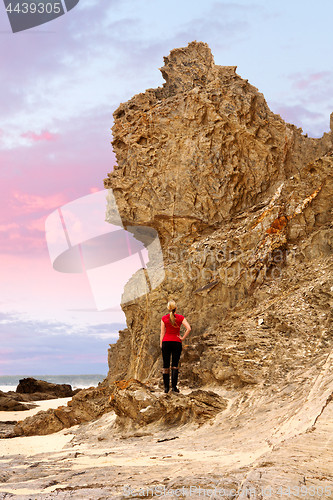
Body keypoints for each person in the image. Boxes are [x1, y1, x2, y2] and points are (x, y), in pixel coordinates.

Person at [160, 300, 191, 393]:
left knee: (166, 365)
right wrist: (182, 338)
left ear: (168, 308)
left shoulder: (164, 318)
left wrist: (161, 344)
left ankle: (166, 389)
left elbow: (162, 333)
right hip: (177, 342)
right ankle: (174, 388)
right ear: (176, 308)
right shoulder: (180, 317)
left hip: (166, 342)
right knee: (175, 365)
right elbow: (189, 328)